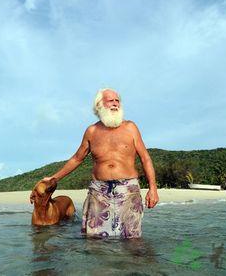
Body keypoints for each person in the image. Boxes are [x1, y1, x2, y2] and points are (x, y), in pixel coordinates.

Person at [42, 88, 159, 238]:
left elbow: (145, 158)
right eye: (111, 100)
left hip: (128, 191)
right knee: (94, 239)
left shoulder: (130, 127)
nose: (116, 104)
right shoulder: (91, 131)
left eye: (117, 101)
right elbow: (77, 158)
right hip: (98, 192)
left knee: (132, 240)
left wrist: (153, 188)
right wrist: (54, 178)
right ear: (99, 105)